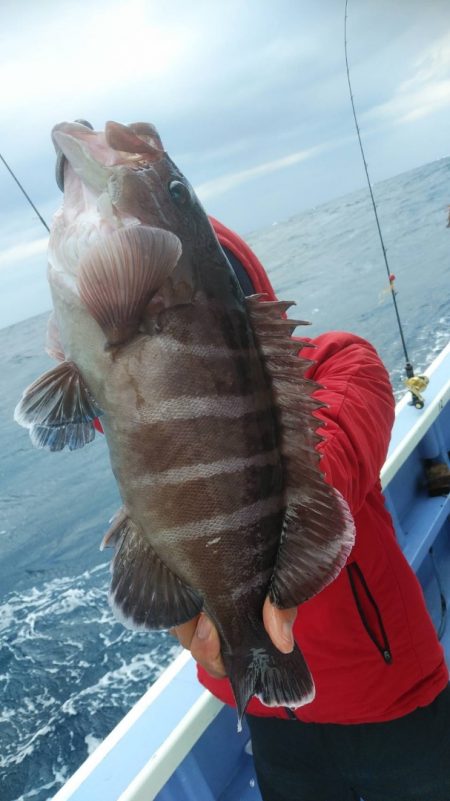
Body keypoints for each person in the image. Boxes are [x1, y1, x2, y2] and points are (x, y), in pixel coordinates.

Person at [172, 217, 450, 801]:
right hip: (268, 714)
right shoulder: (161, 435)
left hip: (392, 702)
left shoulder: (341, 362)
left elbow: (330, 467)